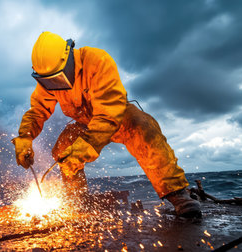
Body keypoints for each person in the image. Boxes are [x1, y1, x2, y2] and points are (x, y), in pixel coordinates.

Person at [12, 31, 201, 218]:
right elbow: (37, 110)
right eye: (47, 80)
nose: (54, 83)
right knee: (64, 148)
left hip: (117, 115)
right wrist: (25, 137)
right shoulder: (50, 79)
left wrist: (86, 145)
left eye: (57, 77)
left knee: (144, 128)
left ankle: (177, 194)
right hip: (85, 122)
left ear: (68, 58)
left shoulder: (97, 60)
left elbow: (108, 114)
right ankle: (77, 200)